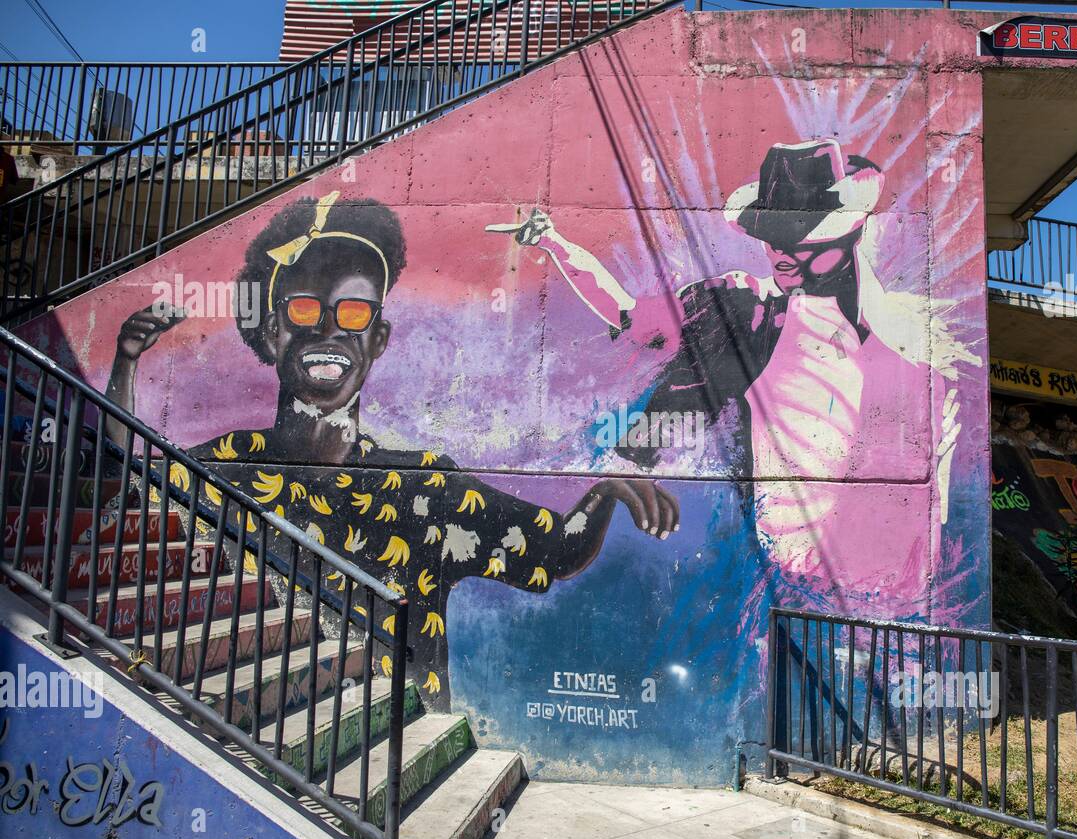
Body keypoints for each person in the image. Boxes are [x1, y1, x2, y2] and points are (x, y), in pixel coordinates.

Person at [106, 191, 679, 709]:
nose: (328, 329)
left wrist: (606, 493)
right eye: (305, 310)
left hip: (404, 726)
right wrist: (126, 363)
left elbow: (555, 551)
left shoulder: (425, 487)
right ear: (275, 330)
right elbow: (126, 475)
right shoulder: (224, 470)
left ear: (377, 338)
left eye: (352, 313)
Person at [490, 139, 980, 610]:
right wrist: (555, 244)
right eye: (772, 240)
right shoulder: (749, 308)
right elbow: (630, 316)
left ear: (850, 233)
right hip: (790, 594)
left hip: (901, 608)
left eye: (801, 239)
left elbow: (934, 485)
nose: (782, 253)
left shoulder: (921, 341)